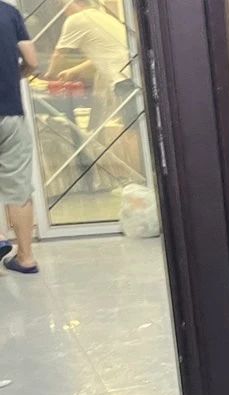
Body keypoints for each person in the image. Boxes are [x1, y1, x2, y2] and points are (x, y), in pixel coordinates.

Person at [47, 0, 131, 130]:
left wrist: (49, 76)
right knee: (134, 124)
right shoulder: (102, 17)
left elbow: (59, 55)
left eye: (65, 5)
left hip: (123, 80)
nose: (64, 11)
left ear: (77, 2)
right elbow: (104, 54)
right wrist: (74, 70)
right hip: (131, 75)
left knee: (132, 128)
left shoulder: (77, 19)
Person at [0, 2, 39, 274]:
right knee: (19, 188)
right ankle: (26, 258)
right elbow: (33, 61)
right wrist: (16, 76)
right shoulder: (9, 12)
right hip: (11, 115)